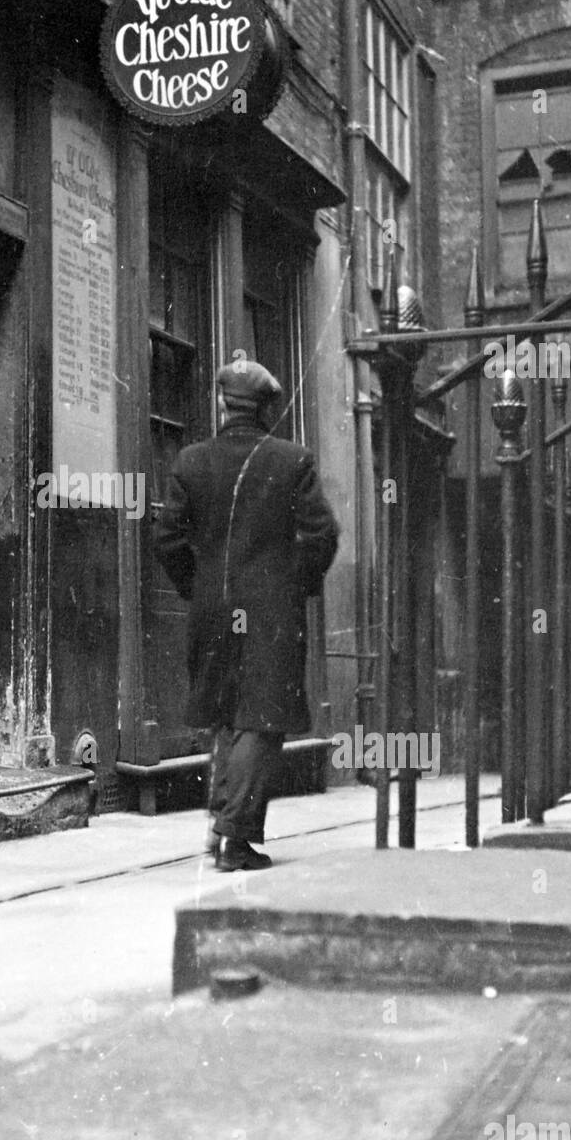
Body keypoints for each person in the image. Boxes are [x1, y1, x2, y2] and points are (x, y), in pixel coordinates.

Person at [155, 359, 339, 871]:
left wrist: (199, 586)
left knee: (225, 716)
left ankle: (222, 827)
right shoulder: (293, 459)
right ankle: (232, 836)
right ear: (265, 409)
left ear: (221, 404)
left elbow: (166, 538)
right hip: (271, 612)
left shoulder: (190, 462)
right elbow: (322, 536)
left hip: (212, 611)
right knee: (262, 718)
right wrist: (292, 584)